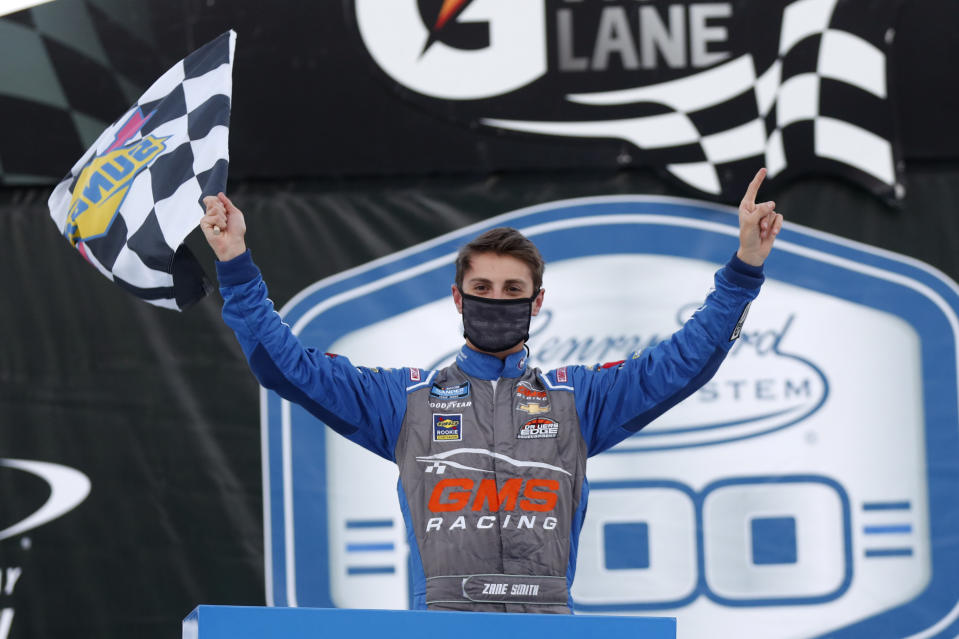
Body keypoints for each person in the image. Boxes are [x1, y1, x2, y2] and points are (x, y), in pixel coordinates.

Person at [201, 169, 783, 613]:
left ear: (536, 304)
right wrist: (234, 264)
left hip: (548, 619)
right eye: (481, 287)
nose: (495, 300)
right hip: (447, 621)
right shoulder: (406, 401)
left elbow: (682, 364)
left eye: (511, 290)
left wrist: (743, 271)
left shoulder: (575, 399)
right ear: (458, 299)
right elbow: (288, 367)